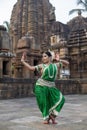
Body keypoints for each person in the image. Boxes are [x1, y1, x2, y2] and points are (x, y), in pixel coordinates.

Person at [21, 51, 69, 124]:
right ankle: (46, 118)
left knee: (61, 99)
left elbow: (67, 63)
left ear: (50, 57)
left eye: (45, 56)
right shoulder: (42, 66)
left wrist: (59, 60)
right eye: (43, 56)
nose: (43, 58)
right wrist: (23, 61)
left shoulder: (56, 65)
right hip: (41, 86)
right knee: (44, 102)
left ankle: (52, 116)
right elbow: (31, 68)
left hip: (51, 87)